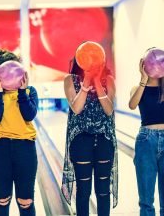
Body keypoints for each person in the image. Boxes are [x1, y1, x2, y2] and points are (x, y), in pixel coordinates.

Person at [61, 45, 118, 216]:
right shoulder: (69, 80)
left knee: (103, 190)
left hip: (104, 140)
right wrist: (86, 83)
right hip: (81, 141)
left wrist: (97, 82)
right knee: (83, 191)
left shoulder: (108, 79)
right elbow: (77, 108)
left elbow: (109, 110)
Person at [0, 50, 38, 216]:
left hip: (25, 149)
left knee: (26, 202)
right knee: (2, 199)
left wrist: (22, 92)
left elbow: (29, 114)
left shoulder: (30, 92)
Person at [128, 49, 164, 216]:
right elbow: (132, 104)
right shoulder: (138, 87)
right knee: (146, 201)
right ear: (144, 64)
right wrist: (143, 79)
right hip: (146, 140)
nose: (156, 65)